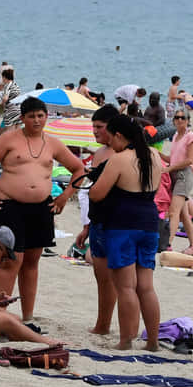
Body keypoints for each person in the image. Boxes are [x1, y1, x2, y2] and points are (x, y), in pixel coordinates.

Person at [0, 97, 85, 321]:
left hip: (41, 209)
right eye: (31, 116)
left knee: (32, 262)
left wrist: (64, 197)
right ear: (23, 118)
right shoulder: (8, 140)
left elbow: (79, 169)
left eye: (40, 115)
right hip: (9, 206)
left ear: (46, 117)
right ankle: (0, 314)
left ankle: (27, 316)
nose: (36, 120)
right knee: (10, 260)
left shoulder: (53, 143)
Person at [87, 114, 164, 350]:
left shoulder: (119, 160)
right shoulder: (154, 155)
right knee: (146, 286)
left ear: (119, 136)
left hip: (123, 225)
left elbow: (96, 194)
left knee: (126, 287)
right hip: (150, 221)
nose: (111, 143)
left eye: (111, 138)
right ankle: (152, 341)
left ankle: (126, 340)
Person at [82, 104, 120, 334]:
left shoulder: (121, 153)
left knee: (114, 278)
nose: (95, 131)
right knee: (101, 277)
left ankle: (105, 325)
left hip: (115, 221)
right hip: (97, 221)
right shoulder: (99, 153)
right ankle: (102, 323)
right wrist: (86, 227)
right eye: (93, 126)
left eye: (99, 127)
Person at [160, 107, 193, 250]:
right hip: (174, 175)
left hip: (183, 176)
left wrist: (169, 168)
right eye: (177, 117)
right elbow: (173, 159)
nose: (179, 120)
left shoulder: (190, 137)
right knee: (184, 215)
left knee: (174, 211)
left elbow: (189, 160)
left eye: (182, 118)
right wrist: (159, 155)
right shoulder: (175, 137)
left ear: (187, 121)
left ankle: (168, 243)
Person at [0, 67, 21, 137]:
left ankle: (9, 147)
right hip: (19, 110)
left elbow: (5, 98)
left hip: (10, 111)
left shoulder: (7, 85)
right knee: (17, 133)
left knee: (9, 134)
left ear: (5, 77)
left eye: (2, 78)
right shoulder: (16, 85)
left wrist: (1, 105)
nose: (2, 80)